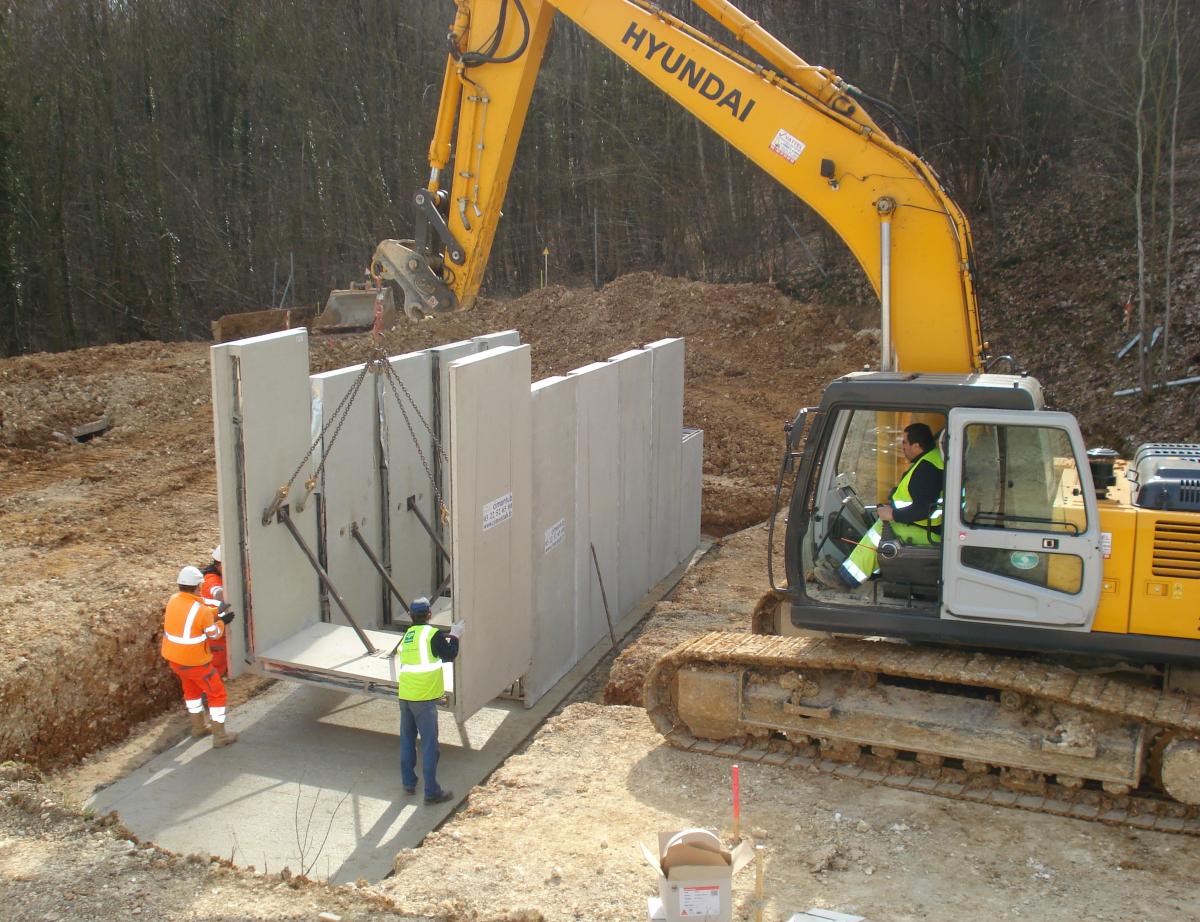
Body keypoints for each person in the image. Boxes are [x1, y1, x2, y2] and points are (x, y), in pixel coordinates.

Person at [816, 422, 944, 590]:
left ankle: (846, 580)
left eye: (904, 442)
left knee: (879, 532)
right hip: (932, 528)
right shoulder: (933, 459)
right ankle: (866, 570)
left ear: (917, 446)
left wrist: (892, 515)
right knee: (882, 524)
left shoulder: (927, 469)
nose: (902, 446)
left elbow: (922, 510)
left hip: (929, 533)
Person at [161, 565, 239, 747]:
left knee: (192, 692)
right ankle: (220, 737)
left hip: (176, 661)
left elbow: (195, 612)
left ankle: (198, 728)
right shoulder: (201, 610)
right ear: (198, 587)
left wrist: (217, 611)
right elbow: (213, 634)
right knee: (217, 695)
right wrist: (222, 622)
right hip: (196, 663)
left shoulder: (174, 600)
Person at [396, 597, 462, 805]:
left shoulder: (407, 635)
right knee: (429, 745)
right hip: (423, 699)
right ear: (430, 614)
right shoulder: (433, 634)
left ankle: (409, 784)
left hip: (405, 695)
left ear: (410, 616)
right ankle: (432, 792)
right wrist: (455, 635)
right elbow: (450, 655)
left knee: (407, 740)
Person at [199, 546, 227, 676]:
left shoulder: (221, 574)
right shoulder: (210, 579)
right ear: (219, 564)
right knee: (217, 658)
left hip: (218, 625)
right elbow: (217, 592)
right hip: (214, 627)